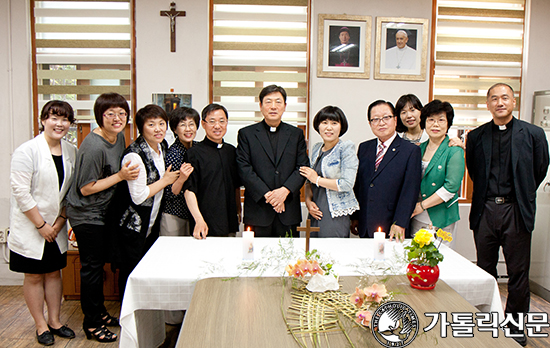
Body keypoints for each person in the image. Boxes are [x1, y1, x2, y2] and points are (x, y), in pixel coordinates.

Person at [466, 83, 549, 346]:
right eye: (494, 98)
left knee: (518, 273)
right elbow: (474, 171)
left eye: (505, 97)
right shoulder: (477, 136)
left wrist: (521, 196)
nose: (499, 102)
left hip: (517, 210)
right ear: (488, 104)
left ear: (514, 102)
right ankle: (485, 324)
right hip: (486, 209)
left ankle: (515, 327)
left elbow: (539, 168)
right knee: (485, 270)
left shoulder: (534, 134)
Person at [66, 92, 138, 342]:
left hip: (103, 212)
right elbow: (85, 188)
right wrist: (120, 176)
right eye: (110, 114)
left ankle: (99, 312)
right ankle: (92, 323)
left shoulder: (117, 137)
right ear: (100, 117)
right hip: (86, 214)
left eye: (122, 113)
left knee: (101, 265)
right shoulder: (93, 146)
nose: (117, 118)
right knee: (92, 269)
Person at [9, 101, 77, 345]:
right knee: (35, 275)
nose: (59, 124)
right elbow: (20, 191)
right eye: (53, 118)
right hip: (32, 226)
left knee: (54, 273)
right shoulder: (27, 151)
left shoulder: (71, 151)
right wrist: (41, 225)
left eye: (65, 119)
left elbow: (70, 191)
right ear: (43, 120)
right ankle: (40, 325)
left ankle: (55, 321)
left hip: (56, 225)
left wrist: (59, 222)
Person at [112, 104, 179, 299]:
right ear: (141, 128)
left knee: (146, 267)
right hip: (132, 225)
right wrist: (165, 181)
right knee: (130, 271)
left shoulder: (162, 147)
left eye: (161, 123)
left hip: (152, 220)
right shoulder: (134, 155)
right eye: (151, 124)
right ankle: (128, 316)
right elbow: (139, 196)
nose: (158, 129)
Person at [237, 85, 309, 237]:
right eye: (268, 102)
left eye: (278, 102)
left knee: (290, 258)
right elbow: (244, 169)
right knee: (255, 259)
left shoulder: (296, 134)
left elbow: (302, 167)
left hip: (288, 211)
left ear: (285, 106)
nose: (273, 106)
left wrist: (284, 191)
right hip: (258, 211)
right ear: (261, 106)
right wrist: (270, 196)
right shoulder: (246, 134)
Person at [351, 100, 421, 241]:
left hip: (392, 225)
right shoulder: (364, 148)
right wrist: (355, 217)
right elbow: (359, 185)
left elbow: (410, 190)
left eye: (386, 117)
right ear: (370, 124)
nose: (381, 123)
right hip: (365, 222)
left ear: (395, 120)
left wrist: (400, 222)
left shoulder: (410, 150)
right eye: (375, 119)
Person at [410, 100, 464, 248]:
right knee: (417, 259)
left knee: (440, 261)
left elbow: (451, 188)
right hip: (416, 217)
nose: (435, 124)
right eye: (431, 120)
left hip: (441, 217)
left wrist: (422, 205)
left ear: (448, 123)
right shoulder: (418, 149)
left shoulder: (454, 150)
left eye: (441, 120)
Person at [299, 106, 359, 237]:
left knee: (332, 253)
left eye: (334, 123)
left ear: (341, 126)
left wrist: (317, 180)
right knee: (313, 253)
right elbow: (309, 181)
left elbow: (347, 184)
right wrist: (308, 202)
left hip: (335, 214)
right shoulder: (316, 149)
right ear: (318, 126)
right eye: (324, 123)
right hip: (315, 211)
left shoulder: (346, 148)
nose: (329, 127)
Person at [183, 103, 241, 239]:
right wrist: (198, 220)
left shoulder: (231, 151)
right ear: (203, 124)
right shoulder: (194, 153)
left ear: (227, 123)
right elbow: (189, 190)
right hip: (204, 222)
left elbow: (236, 185)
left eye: (222, 121)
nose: (217, 126)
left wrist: (239, 210)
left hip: (229, 220)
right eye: (212, 121)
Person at [160, 107, 198, 237]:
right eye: (183, 125)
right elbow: (169, 193)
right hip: (175, 214)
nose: (188, 129)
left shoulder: (198, 148)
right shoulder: (173, 154)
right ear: (175, 130)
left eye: (191, 124)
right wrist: (181, 178)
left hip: (194, 214)